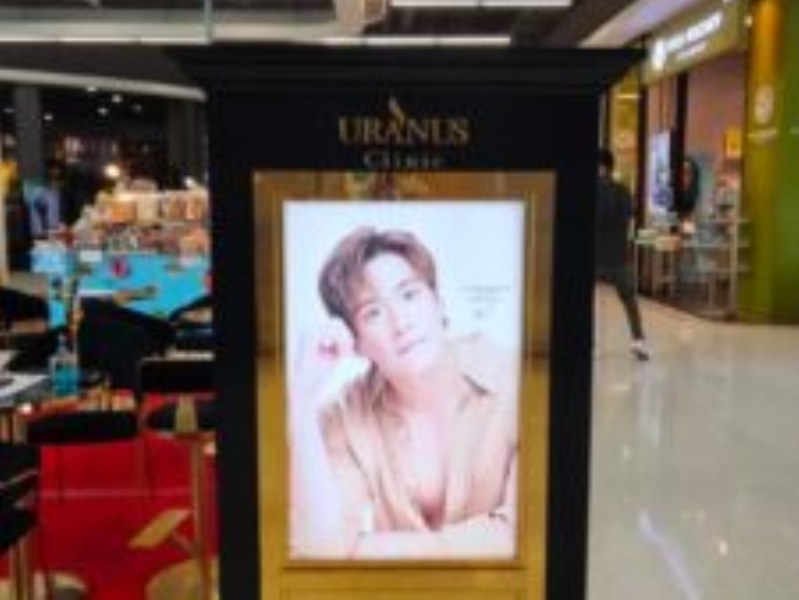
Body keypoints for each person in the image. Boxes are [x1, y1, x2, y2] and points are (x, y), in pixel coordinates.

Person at [289, 227, 518, 559]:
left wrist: (362, 551)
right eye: (373, 312)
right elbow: (320, 546)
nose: (401, 323)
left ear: (438, 302)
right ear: (356, 341)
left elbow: (523, 536)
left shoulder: (516, 381)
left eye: (409, 295)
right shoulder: (344, 415)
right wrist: (300, 400)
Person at [596, 148, 650, 360]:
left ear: (601, 167)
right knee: (629, 300)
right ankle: (639, 341)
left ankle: (588, 344)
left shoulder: (593, 190)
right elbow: (630, 217)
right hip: (621, 256)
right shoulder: (624, 191)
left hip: (596, 256)